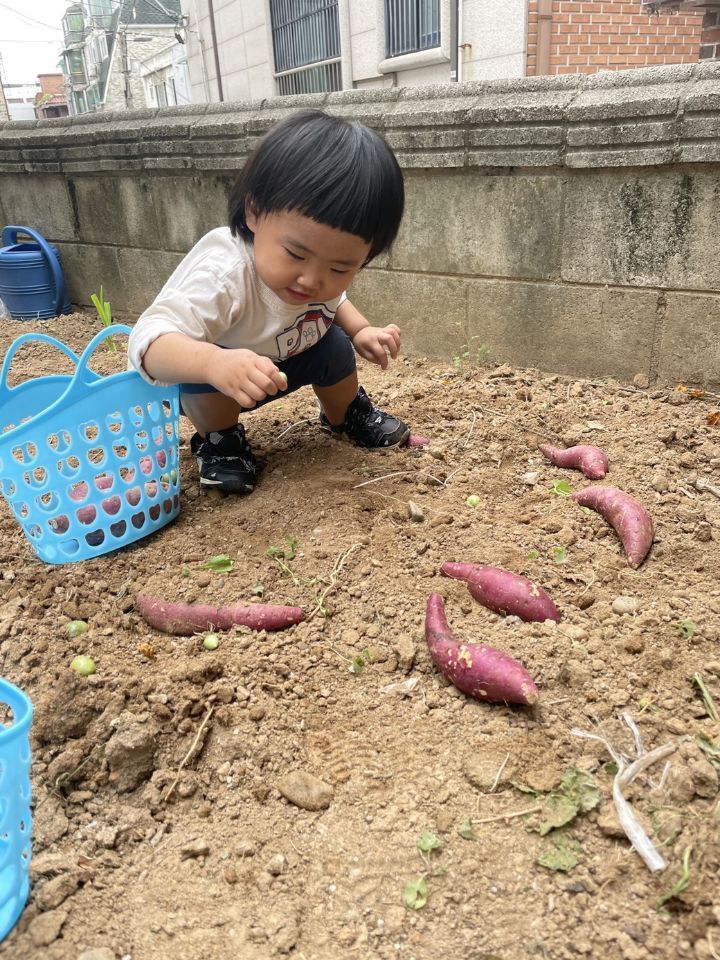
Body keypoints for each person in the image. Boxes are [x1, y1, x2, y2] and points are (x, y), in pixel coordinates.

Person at [128, 108, 411, 495]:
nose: (312, 280)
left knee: (334, 346)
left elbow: (334, 299)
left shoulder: (318, 279)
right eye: (295, 254)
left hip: (284, 359)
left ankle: (346, 415)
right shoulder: (225, 275)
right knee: (200, 377)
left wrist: (360, 330)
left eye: (341, 267)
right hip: (220, 376)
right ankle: (220, 441)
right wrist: (213, 363)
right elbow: (148, 339)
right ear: (255, 212)